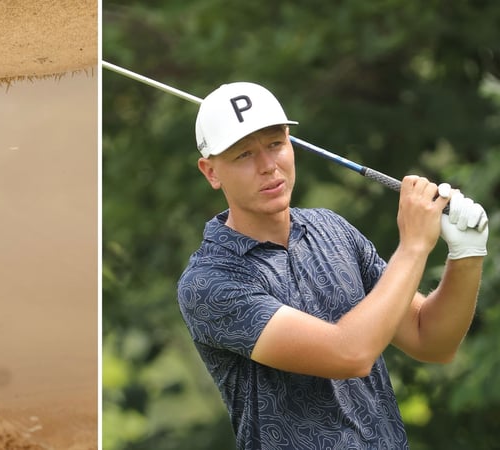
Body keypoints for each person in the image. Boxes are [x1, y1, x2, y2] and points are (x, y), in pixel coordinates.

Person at [177, 82, 489, 449]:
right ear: (211, 172)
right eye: (243, 155)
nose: (267, 166)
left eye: (276, 144)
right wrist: (415, 245)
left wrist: (466, 256)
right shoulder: (209, 282)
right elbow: (349, 353)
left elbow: (431, 340)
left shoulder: (333, 229)